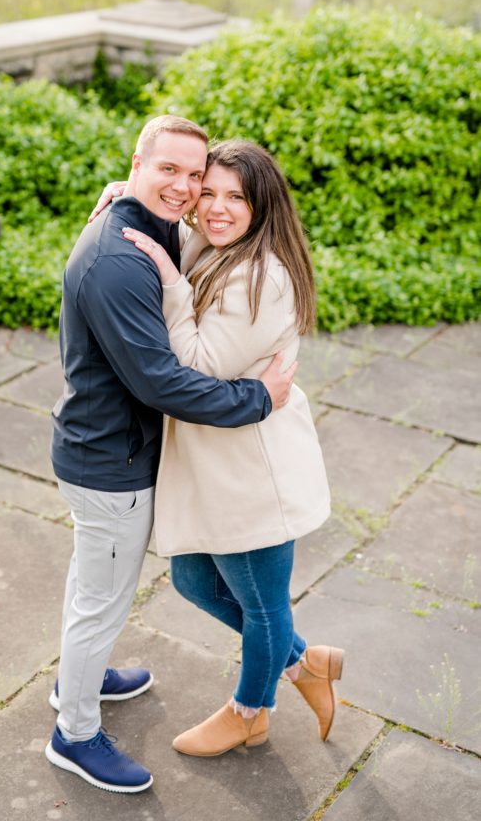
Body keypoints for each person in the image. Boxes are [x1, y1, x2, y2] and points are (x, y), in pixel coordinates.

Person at [46, 116, 297, 794]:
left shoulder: (146, 223)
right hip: (112, 463)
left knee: (91, 587)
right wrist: (257, 398)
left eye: (195, 175)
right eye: (169, 171)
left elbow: (182, 229)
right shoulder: (118, 261)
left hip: (106, 450)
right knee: (101, 602)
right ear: (137, 163)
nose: (186, 189)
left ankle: (80, 677)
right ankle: (74, 732)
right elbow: (161, 382)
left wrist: (128, 193)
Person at [121, 138, 343, 757]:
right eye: (208, 192)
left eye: (235, 198)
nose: (215, 208)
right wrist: (130, 197)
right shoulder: (218, 245)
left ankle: (250, 712)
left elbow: (197, 364)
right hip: (214, 462)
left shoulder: (264, 278)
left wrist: (171, 283)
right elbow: (178, 232)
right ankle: (305, 663)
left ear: (261, 205)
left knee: (265, 608)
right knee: (194, 580)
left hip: (250, 471)